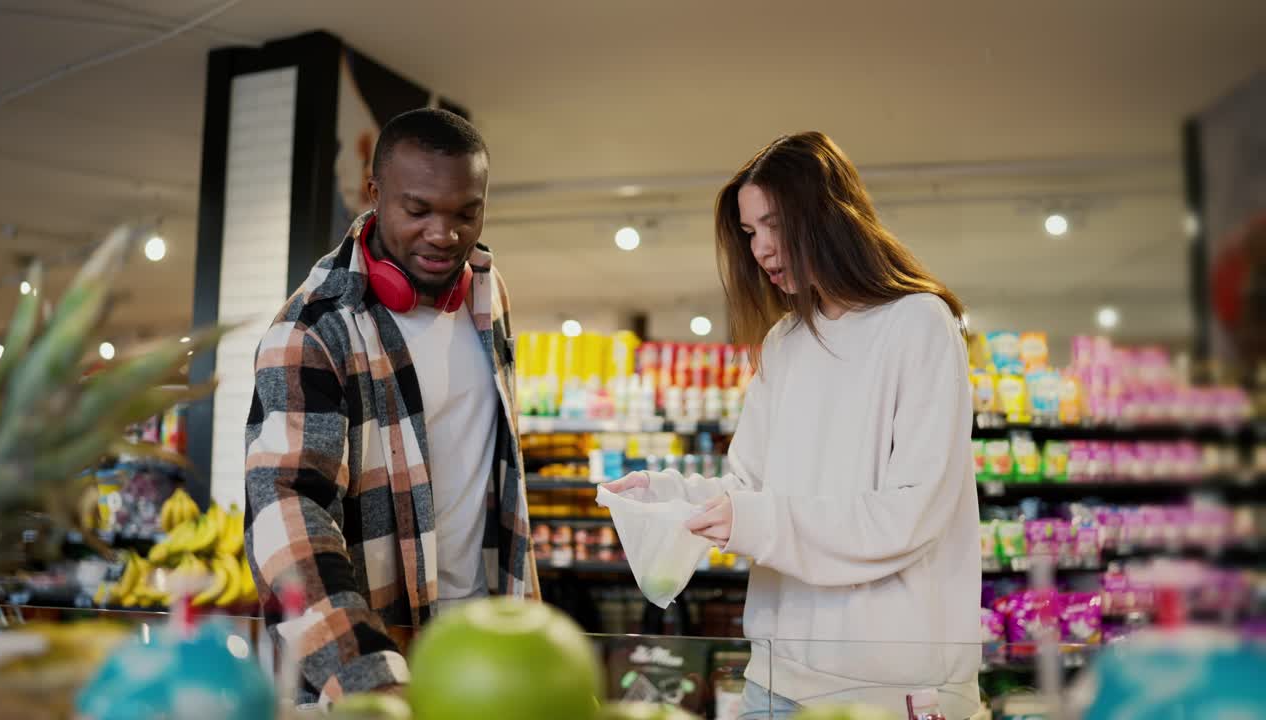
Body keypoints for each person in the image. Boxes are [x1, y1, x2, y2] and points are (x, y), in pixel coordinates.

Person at [604, 132, 981, 718]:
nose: (760, 249)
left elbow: (910, 513)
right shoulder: (785, 341)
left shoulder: (919, 324)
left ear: (829, 217)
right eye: (750, 232)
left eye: (773, 224)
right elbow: (753, 491)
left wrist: (753, 518)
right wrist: (674, 496)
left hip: (894, 686)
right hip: (776, 677)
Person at [245, 108, 537, 705]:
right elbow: (287, 515)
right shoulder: (312, 329)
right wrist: (367, 677)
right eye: (418, 209)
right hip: (376, 654)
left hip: (486, 642)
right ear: (374, 194)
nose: (444, 234)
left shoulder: (488, 289)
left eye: (465, 212)